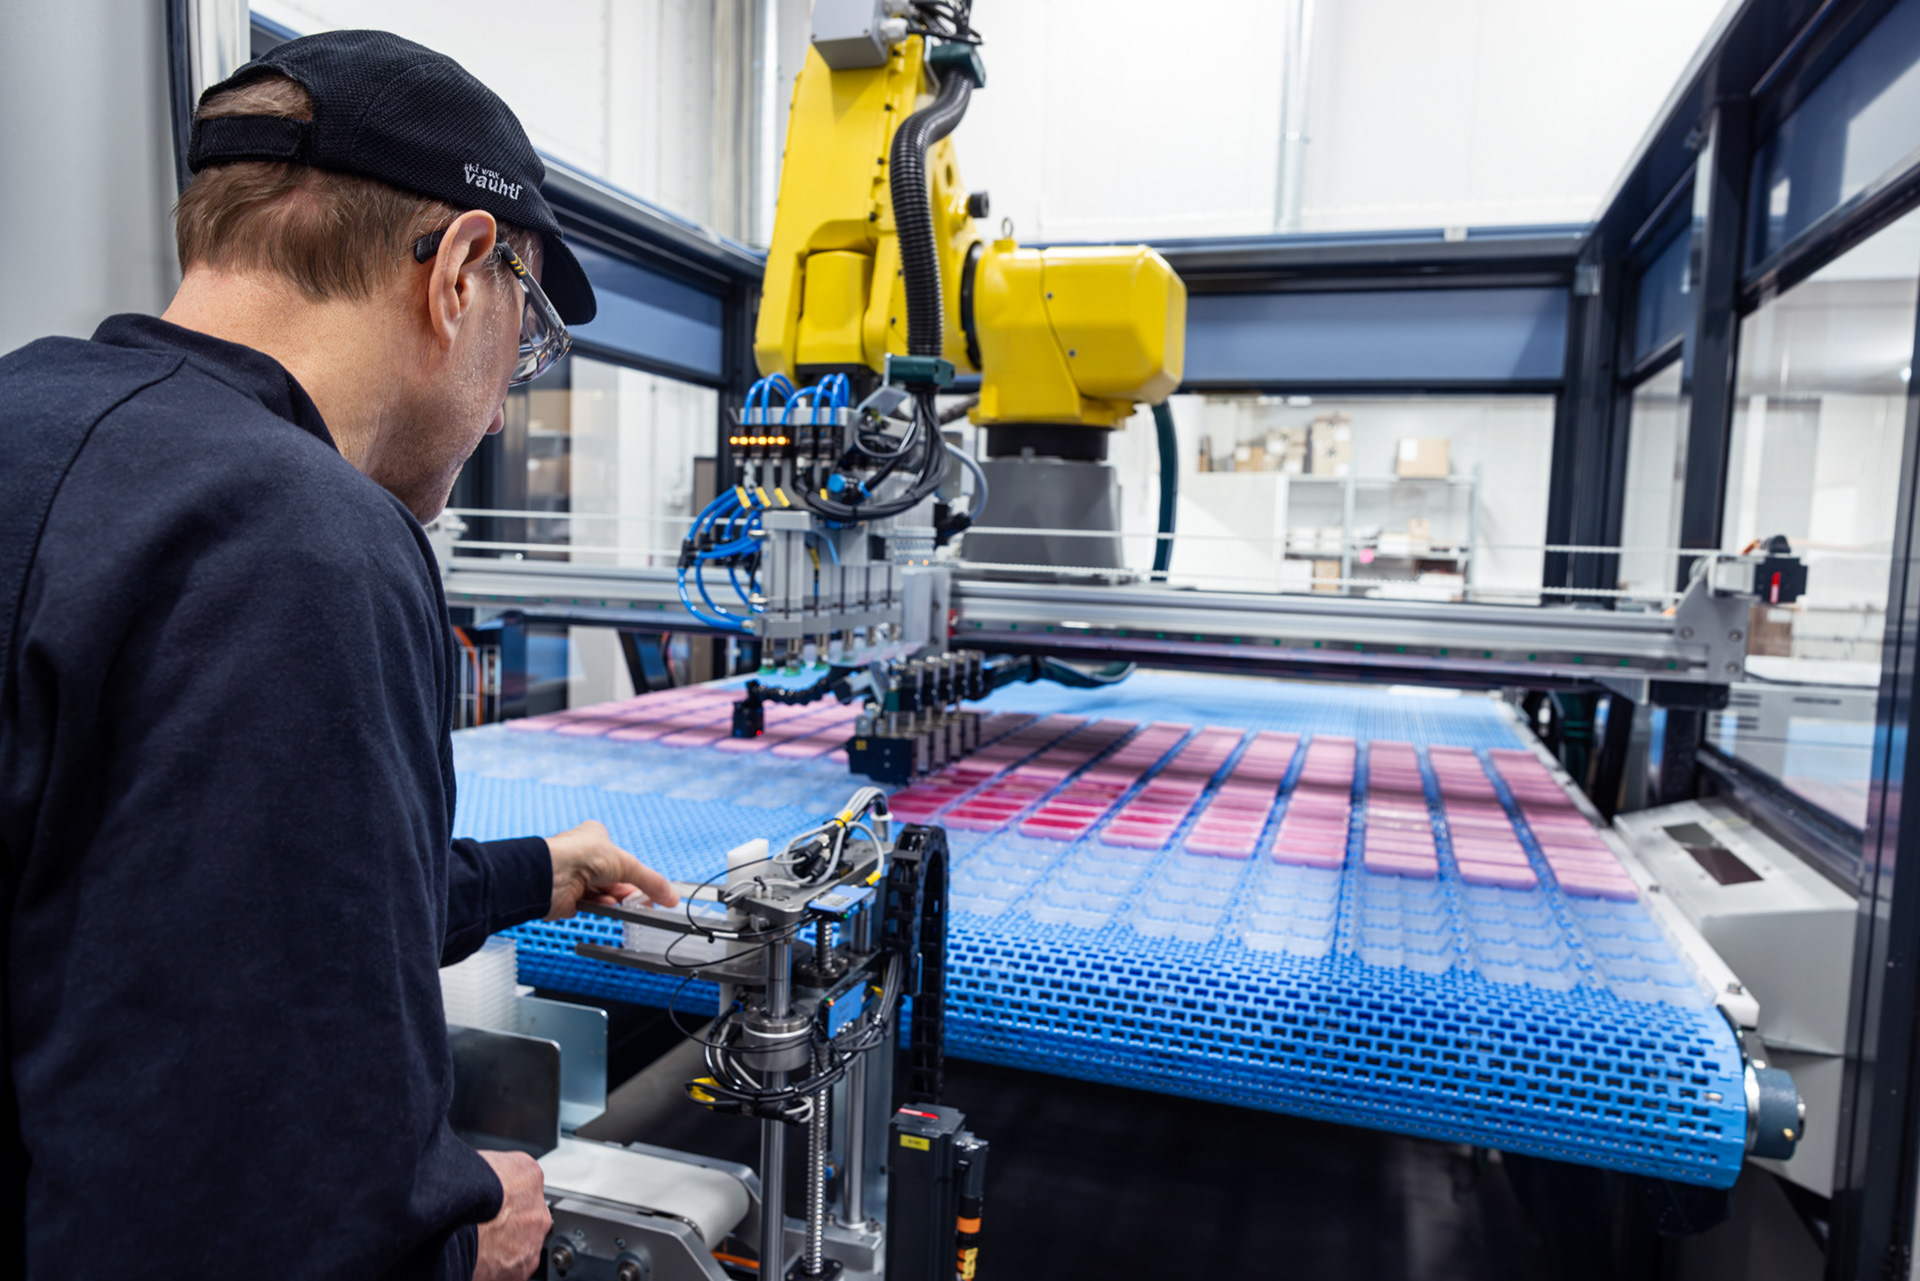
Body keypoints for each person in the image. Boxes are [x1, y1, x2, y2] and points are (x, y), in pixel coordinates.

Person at [0, 30, 676, 1281]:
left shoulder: (30, 426)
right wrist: (462, 1241)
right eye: (526, 336)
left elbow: (152, 909)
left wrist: (531, 874)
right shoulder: (300, 541)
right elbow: (270, 1200)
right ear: (459, 271)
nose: (502, 404)